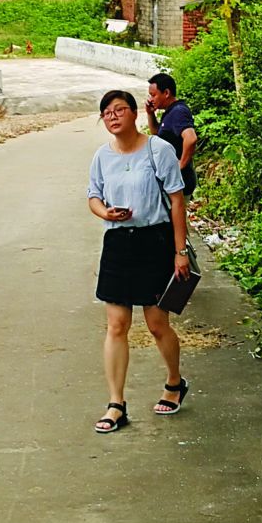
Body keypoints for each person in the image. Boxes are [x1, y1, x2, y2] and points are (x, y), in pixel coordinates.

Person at [85, 88, 191, 433]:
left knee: (157, 324)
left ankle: (175, 382)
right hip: (117, 242)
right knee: (116, 326)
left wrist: (180, 251)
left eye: (119, 110)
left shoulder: (158, 150)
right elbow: (93, 196)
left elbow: (176, 201)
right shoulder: (102, 156)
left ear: (133, 113)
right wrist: (106, 213)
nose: (113, 116)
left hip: (154, 241)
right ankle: (116, 404)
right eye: (107, 113)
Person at [144, 72, 199, 201]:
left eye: (153, 95)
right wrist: (150, 114)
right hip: (173, 181)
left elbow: (191, 139)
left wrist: (180, 165)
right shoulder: (170, 112)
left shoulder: (178, 111)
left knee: (175, 220)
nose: (151, 99)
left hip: (179, 182)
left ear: (166, 93)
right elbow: (157, 133)